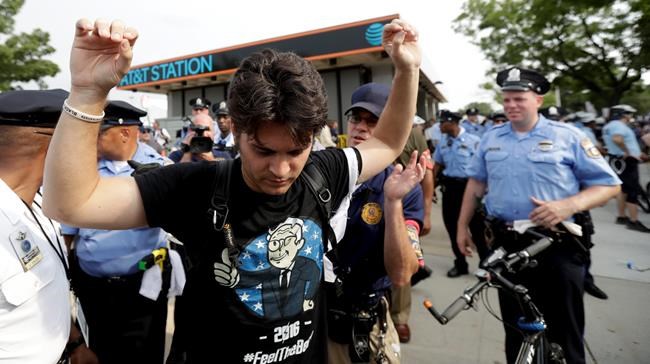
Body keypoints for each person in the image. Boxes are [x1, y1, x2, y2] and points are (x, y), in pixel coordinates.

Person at [43, 18, 421, 363]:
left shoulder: (324, 172)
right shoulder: (195, 186)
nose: (281, 169)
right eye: (264, 151)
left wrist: (407, 69)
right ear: (236, 131)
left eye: (296, 151)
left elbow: (387, 142)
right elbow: (71, 204)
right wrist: (88, 92)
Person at [456, 67, 621, 364]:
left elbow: (609, 186)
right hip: (508, 245)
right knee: (516, 330)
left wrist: (567, 205)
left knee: (564, 331)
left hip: (558, 244)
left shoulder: (568, 136)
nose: (511, 105)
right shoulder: (491, 138)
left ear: (538, 101)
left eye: (519, 98)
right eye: (507, 99)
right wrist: (462, 226)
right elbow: (476, 183)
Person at [61, 100, 172, 364]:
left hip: (144, 282)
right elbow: (68, 234)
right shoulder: (83, 170)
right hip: (94, 287)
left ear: (124, 133)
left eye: (98, 132)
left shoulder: (162, 169)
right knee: (100, 352)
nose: (91, 140)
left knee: (146, 354)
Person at [326, 83, 425, 363]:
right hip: (314, 313)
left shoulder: (404, 186)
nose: (360, 127)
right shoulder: (324, 171)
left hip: (364, 317)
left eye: (373, 121)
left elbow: (403, 274)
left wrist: (393, 203)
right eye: (356, 118)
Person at [0, 89, 97, 363]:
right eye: (85, 144)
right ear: (56, 147)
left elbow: (45, 292)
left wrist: (74, 342)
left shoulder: (41, 204)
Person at [389, 114, 434, 343]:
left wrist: (426, 211)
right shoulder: (365, 129)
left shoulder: (414, 133)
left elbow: (427, 172)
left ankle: (399, 318)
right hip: (371, 201)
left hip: (407, 205)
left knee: (403, 260)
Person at [433, 109, 488, 278]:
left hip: (470, 188)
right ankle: (461, 263)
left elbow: (484, 167)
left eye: (443, 122)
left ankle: (485, 264)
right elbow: (437, 165)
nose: (440, 126)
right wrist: (432, 187)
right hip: (450, 189)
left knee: (477, 228)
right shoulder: (443, 141)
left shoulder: (475, 141)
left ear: (453, 123)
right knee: (452, 226)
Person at [602, 104, 650, 233]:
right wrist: (627, 151)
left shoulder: (609, 125)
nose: (630, 116)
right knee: (632, 190)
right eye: (629, 114)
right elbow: (617, 139)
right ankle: (633, 221)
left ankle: (621, 216)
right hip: (626, 161)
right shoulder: (618, 125)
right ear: (623, 114)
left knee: (622, 190)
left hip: (618, 159)